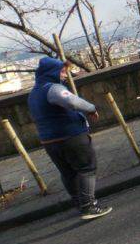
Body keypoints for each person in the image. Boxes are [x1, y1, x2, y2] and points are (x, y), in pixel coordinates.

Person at [27, 57, 112, 220]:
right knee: (86, 168)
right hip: (70, 137)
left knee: (68, 173)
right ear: (51, 72)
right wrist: (91, 108)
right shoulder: (52, 89)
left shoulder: (33, 94)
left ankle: (80, 204)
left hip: (49, 142)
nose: (66, 75)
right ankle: (89, 206)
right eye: (62, 71)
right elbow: (71, 101)